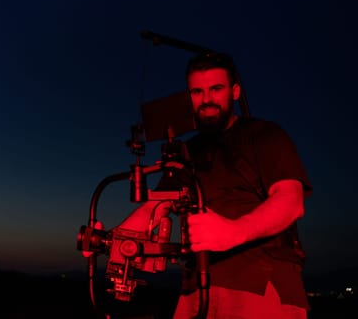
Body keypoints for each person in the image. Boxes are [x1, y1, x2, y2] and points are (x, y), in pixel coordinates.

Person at [112, 52, 313, 319]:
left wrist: (233, 232)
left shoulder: (264, 135)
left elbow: (290, 201)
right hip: (196, 287)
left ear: (235, 92)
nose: (206, 99)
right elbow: (156, 206)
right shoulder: (186, 151)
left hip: (261, 285)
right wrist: (113, 240)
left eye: (216, 89)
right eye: (197, 91)